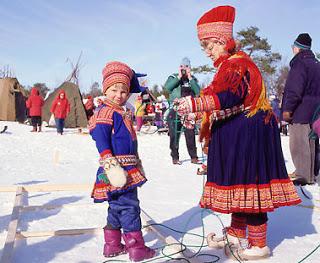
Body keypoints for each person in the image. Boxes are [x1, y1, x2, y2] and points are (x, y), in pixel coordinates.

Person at [174, 5, 301, 260]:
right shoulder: (228, 66)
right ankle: (235, 233)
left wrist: (198, 104)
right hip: (242, 134)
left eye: (210, 45)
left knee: (250, 186)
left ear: (223, 41)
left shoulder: (237, 64)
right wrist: (196, 112)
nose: (208, 52)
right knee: (240, 187)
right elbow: (219, 96)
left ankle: (258, 243)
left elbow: (230, 95)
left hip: (249, 137)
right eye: (205, 47)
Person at [88, 61, 155, 262]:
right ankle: (137, 248)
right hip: (116, 167)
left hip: (126, 164)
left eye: (124, 92)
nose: (119, 95)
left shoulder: (119, 110)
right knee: (129, 206)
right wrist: (110, 163)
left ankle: (113, 245)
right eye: (114, 90)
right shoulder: (105, 112)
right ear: (106, 89)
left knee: (116, 206)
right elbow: (100, 139)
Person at [282, 33, 320, 186]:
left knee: (299, 142)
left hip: (301, 109)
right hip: (316, 110)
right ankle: (312, 173)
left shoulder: (299, 64)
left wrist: (288, 109)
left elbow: (294, 89)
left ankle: (303, 175)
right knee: (312, 141)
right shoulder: (316, 64)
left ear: (297, 48)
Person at [164, 57, 200, 165]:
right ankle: (175, 157)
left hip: (188, 110)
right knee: (174, 134)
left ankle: (194, 157)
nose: (184, 68)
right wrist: (179, 77)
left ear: (190, 68)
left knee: (190, 133)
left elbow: (198, 91)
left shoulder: (192, 79)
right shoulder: (173, 77)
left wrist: (190, 78)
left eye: (186, 66)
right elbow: (167, 88)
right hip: (175, 108)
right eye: (181, 66)